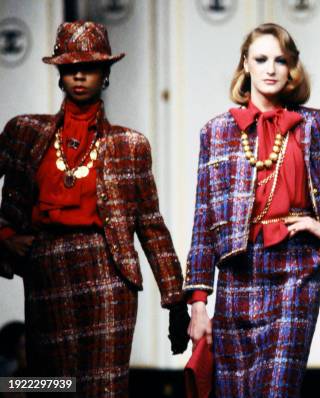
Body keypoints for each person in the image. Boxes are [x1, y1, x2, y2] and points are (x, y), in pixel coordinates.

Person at [185, 23, 320, 397]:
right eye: (261, 59)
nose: (270, 69)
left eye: (280, 60)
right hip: (238, 274)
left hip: (296, 273)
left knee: (277, 389)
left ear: (292, 69)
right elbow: (204, 222)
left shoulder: (318, 125)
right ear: (245, 66)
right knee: (236, 391)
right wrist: (199, 304)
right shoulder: (217, 132)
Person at [0, 21, 190, 396]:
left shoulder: (129, 145)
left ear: (106, 74)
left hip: (108, 272)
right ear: (59, 73)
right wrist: (3, 235)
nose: (80, 75)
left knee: (105, 388)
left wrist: (176, 300)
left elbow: (150, 225)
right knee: (48, 386)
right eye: (70, 67)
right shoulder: (25, 132)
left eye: (89, 66)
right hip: (47, 269)